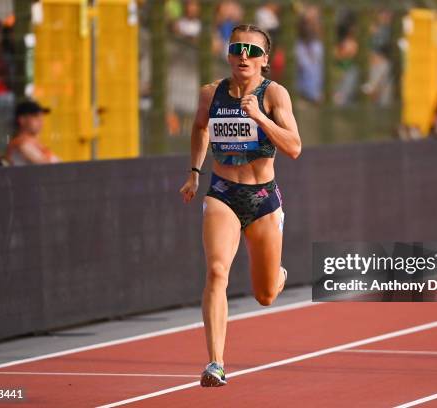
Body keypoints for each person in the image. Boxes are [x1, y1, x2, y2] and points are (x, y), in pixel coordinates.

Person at [179, 24, 301, 387]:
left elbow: (294, 147)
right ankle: (215, 363)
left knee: (264, 295)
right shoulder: (210, 94)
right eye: (236, 49)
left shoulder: (274, 94)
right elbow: (200, 128)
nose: (243, 56)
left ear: (265, 60)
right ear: (228, 55)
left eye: (251, 50)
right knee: (217, 271)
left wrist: (260, 118)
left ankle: (277, 276)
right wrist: (194, 172)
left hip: (262, 198)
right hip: (223, 192)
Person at [6, 100, 61, 165]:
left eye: (41, 117)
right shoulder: (20, 143)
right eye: (35, 116)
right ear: (22, 119)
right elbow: (46, 164)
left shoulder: (35, 144)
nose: (40, 120)